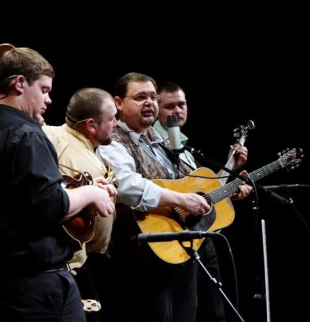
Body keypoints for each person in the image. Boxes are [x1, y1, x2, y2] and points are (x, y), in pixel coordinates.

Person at [0, 44, 115, 322]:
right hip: (38, 288)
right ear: (20, 83)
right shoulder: (26, 134)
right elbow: (51, 205)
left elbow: (20, 205)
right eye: (44, 90)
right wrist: (91, 192)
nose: (49, 100)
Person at [96, 72, 251, 322]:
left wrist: (225, 190)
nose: (149, 103)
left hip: (178, 250)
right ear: (118, 103)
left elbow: (190, 189)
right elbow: (126, 185)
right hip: (139, 255)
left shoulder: (165, 143)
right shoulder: (112, 141)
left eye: (152, 97)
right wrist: (180, 201)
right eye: (139, 97)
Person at [153, 81, 249, 322]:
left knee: (212, 309)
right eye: (169, 106)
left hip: (201, 233)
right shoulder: (155, 141)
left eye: (181, 104)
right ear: (156, 108)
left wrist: (231, 169)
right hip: (173, 235)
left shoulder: (184, 148)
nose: (177, 111)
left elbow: (204, 192)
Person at [43, 87, 118, 321]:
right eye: (112, 119)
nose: (116, 123)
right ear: (91, 125)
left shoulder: (46, 132)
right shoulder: (87, 164)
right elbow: (95, 234)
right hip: (72, 264)